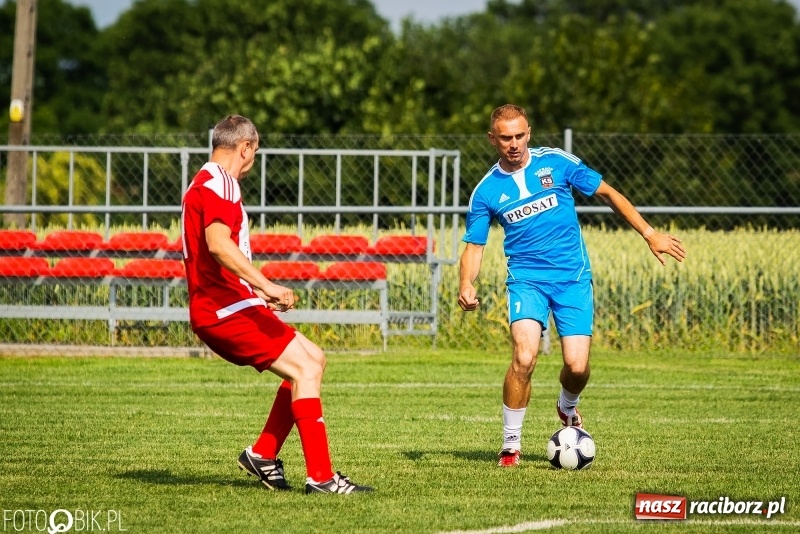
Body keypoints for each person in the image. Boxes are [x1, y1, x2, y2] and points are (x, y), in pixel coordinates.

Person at [458, 104, 686, 467]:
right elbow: (474, 245)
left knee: (577, 367)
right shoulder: (486, 191)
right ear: (492, 140)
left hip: (573, 279)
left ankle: (567, 407)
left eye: (519, 136)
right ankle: (510, 446)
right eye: (505, 138)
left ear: (529, 133)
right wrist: (467, 283)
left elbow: (609, 193)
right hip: (527, 281)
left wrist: (649, 233)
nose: (514, 144)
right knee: (524, 357)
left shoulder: (558, 164)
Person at [181, 114, 372, 493]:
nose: (253, 160)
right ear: (245, 148)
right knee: (304, 368)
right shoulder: (222, 182)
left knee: (313, 360)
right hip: (223, 310)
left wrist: (256, 294)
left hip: (226, 304)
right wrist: (266, 286)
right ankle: (321, 477)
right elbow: (219, 245)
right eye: (255, 152)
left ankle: (263, 454)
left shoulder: (202, 182)